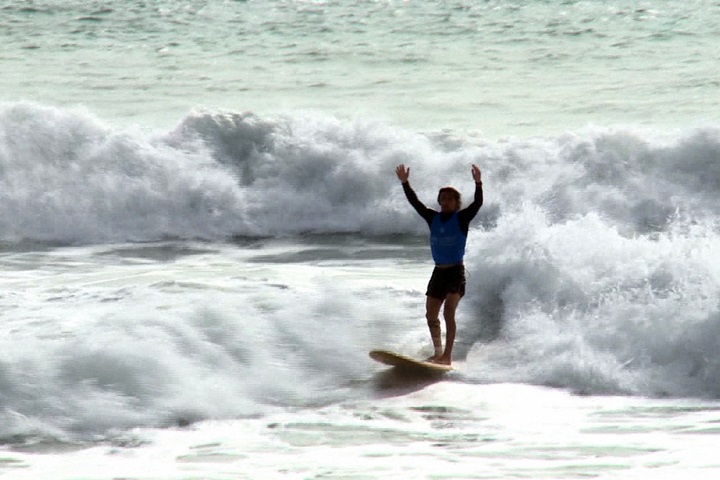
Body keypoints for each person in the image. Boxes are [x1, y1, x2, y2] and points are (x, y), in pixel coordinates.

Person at [395, 163, 483, 365]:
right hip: (438, 273)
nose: (445, 202)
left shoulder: (461, 218)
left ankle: (447, 357)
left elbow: (477, 204)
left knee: (448, 312)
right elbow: (415, 203)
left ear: (456, 203)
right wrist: (405, 183)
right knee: (430, 314)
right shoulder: (432, 217)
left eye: (450, 199)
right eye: (442, 199)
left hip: (455, 272)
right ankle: (438, 352)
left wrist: (478, 183)